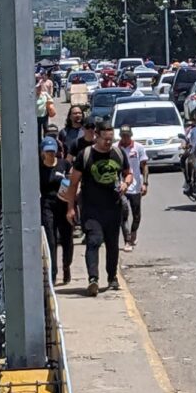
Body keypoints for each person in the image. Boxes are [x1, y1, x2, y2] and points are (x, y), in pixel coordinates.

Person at [66, 119, 132, 297]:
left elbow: (128, 173)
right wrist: (70, 208)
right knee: (94, 241)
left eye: (111, 139)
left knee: (112, 245)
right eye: (105, 139)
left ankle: (112, 277)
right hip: (91, 208)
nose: (108, 143)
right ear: (97, 136)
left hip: (113, 207)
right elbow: (73, 184)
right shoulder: (85, 155)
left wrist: (126, 184)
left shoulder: (118, 153)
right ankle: (93, 279)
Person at [39, 137, 73, 285]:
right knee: (51, 240)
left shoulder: (64, 164)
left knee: (67, 239)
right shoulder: (39, 169)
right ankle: (53, 273)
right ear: (43, 153)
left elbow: (73, 181)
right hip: (47, 204)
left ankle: (67, 266)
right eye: (48, 152)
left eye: (53, 151)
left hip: (63, 203)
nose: (51, 154)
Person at [118, 125, 149, 251]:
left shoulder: (138, 148)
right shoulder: (115, 148)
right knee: (123, 213)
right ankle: (127, 240)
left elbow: (144, 166)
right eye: (123, 135)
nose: (125, 138)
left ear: (131, 135)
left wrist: (145, 183)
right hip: (122, 186)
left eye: (127, 135)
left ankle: (134, 231)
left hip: (135, 185)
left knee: (136, 215)